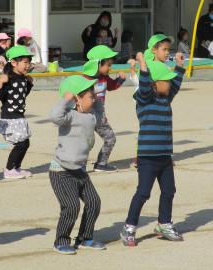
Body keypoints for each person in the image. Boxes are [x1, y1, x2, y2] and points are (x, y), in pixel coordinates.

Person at [120, 52, 185, 247]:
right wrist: (143, 65)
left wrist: (180, 67)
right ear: (155, 83)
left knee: (169, 191)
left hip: (165, 155)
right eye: (166, 81)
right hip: (148, 156)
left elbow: (176, 86)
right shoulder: (144, 98)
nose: (170, 84)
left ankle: (164, 223)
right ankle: (129, 227)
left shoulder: (166, 98)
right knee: (143, 193)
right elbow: (145, 85)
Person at [49, 74, 106, 255]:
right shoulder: (69, 116)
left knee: (94, 202)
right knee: (72, 206)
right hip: (61, 171)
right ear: (77, 99)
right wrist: (66, 99)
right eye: (90, 96)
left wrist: (95, 97)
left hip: (80, 170)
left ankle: (84, 238)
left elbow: (99, 109)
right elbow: (54, 116)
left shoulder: (91, 116)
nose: (94, 98)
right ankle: (61, 240)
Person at [0, 45, 34, 179]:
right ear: (14, 63)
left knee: (25, 143)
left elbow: (22, 95)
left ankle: (16, 167)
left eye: (29, 62)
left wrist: (29, 84)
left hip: (19, 116)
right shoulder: (8, 77)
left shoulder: (23, 78)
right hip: (10, 117)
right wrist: (0, 83)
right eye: (25, 62)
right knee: (20, 144)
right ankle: (9, 169)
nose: (28, 65)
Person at [85, 45, 126, 172]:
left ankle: (101, 164)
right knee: (84, 142)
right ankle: (76, 166)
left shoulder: (104, 78)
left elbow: (112, 86)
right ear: (98, 64)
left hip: (99, 116)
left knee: (110, 138)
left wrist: (120, 80)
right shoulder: (86, 79)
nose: (110, 67)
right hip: (86, 116)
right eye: (108, 65)